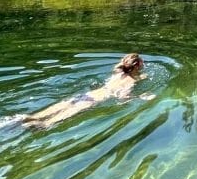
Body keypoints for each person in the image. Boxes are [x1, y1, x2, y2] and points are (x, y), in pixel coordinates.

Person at [21, 53, 154, 129]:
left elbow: (121, 67)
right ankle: (44, 124)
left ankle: (32, 117)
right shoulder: (131, 81)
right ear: (137, 65)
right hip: (97, 99)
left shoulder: (118, 72)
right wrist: (141, 97)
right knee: (67, 114)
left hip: (89, 94)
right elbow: (122, 98)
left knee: (65, 105)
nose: (144, 64)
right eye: (142, 62)